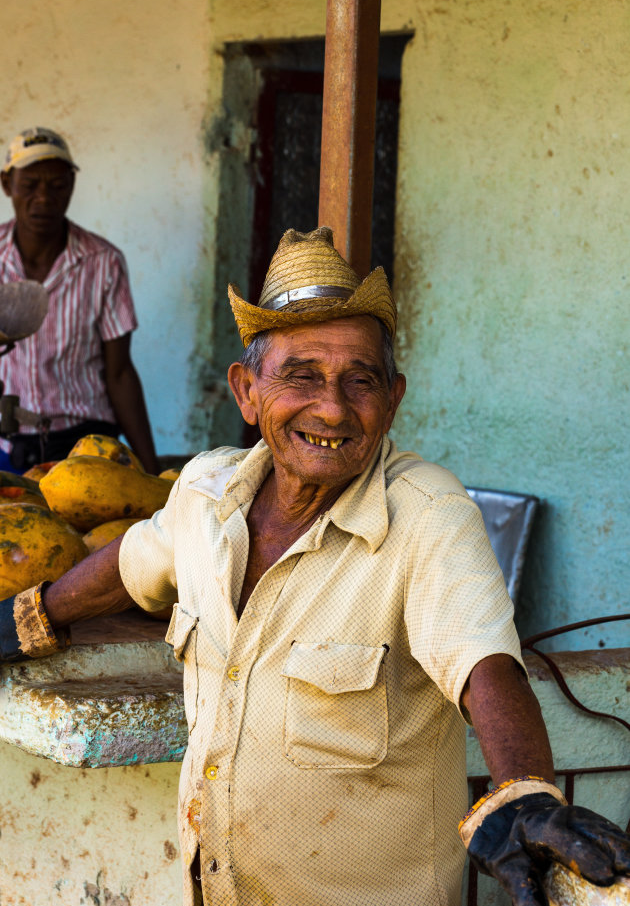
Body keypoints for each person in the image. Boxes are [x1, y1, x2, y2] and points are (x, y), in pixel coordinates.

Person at [0, 227, 628, 906]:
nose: (332, 406)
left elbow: (485, 664)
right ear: (246, 390)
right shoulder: (205, 493)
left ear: (393, 398)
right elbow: (129, 563)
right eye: (301, 376)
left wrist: (525, 791)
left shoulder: (427, 513)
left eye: (360, 380)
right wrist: (24, 620)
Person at [0, 126, 159, 474]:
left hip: (87, 445)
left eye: (57, 186)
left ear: (71, 185)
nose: (43, 198)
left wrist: (153, 472)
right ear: (6, 184)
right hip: (8, 444)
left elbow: (119, 373)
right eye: (29, 186)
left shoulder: (103, 261)